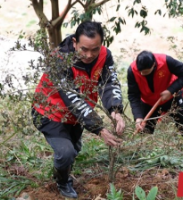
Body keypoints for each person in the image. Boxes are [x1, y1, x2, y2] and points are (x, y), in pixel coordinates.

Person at [31, 21, 125, 199]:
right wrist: (99, 128)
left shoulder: (105, 56)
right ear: (74, 42)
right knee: (66, 152)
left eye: (94, 49)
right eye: (84, 49)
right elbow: (71, 97)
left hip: (76, 115)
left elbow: (109, 83)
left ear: (101, 44)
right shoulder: (59, 59)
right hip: (49, 112)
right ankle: (62, 181)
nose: (89, 55)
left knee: (74, 148)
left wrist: (115, 110)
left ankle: (65, 163)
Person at [127, 50, 183, 135]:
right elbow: (133, 95)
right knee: (144, 133)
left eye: (146, 73)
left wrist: (170, 90)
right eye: (141, 73)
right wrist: (138, 117)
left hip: (172, 98)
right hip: (148, 102)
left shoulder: (166, 61)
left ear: (154, 65)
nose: (142, 75)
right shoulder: (132, 70)